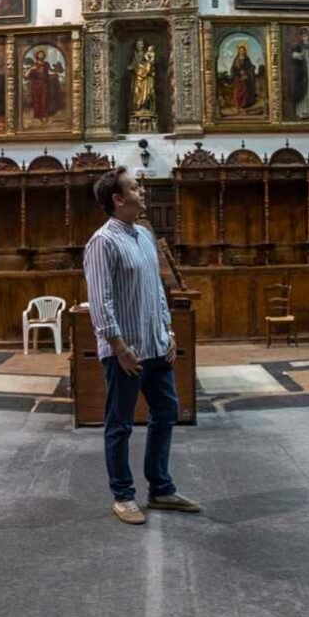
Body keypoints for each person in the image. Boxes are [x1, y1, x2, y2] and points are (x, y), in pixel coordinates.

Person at [84, 167, 201, 525]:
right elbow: (100, 301)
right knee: (119, 424)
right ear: (118, 199)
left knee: (166, 413)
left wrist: (169, 331)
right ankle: (122, 495)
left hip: (155, 345)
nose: (142, 192)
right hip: (126, 353)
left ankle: (161, 488)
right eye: (135, 187)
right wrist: (119, 347)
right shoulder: (102, 242)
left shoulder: (146, 236)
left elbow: (156, 291)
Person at [230, 44, 258, 113]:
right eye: (241, 50)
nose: (242, 52)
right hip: (239, 79)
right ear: (239, 51)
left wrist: (252, 68)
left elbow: (250, 66)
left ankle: (243, 107)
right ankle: (238, 107)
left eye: (243, 50)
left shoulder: (247, 58)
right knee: (238, 93)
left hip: (246, 78)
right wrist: (239, 73)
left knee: (246, 93)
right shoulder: (236, 59)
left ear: (245, 51)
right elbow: (233, 69)